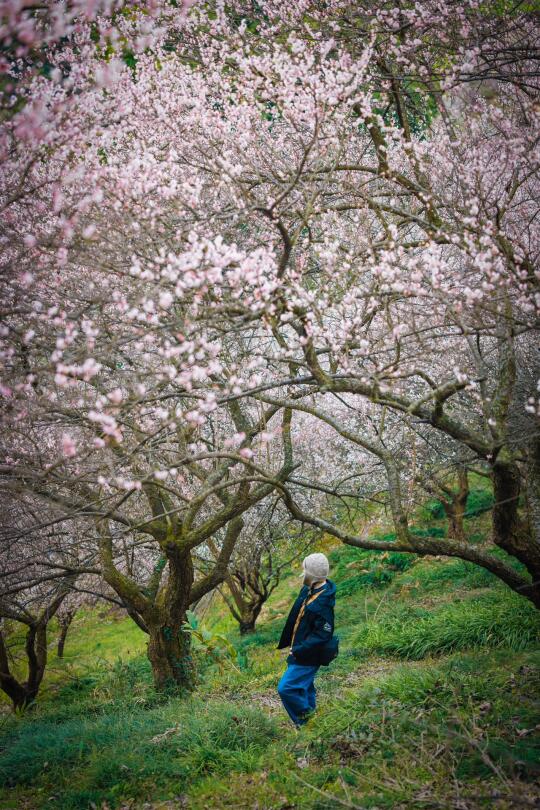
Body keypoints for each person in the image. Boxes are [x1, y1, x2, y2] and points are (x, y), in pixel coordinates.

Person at [276, 552, 337, 728]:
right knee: (305, 686)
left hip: (307, 655)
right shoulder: (309, 589)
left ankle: (307, 722)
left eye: (305, 570)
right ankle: (312, 720)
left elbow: (323, 634)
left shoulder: (323, 603)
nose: (303, 572)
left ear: (312, 574)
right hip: (300, 650)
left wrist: (299, 649)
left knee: (286, 688)